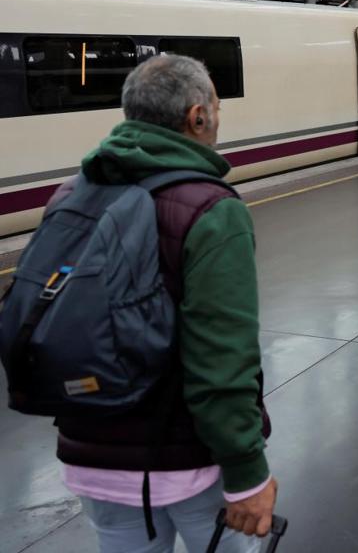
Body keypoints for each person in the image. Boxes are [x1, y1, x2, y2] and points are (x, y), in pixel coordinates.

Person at [48, 55, 275, 551]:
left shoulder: (70, 194)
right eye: (216, 107)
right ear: (198, 117)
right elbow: (222, 358)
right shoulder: (211, 209)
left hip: (90, 454)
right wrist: (247, 472)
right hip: (186, 461)